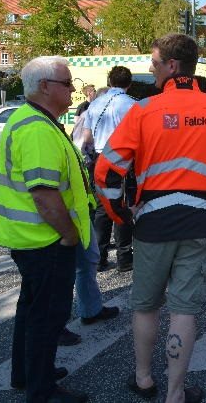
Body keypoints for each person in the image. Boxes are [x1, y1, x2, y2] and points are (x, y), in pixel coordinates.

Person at [95, 34, 206, 403]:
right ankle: (175, 394)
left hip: (153, 225)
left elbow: (107, 172)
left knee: (145, 306)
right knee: (184, 311)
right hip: (200, 223)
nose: (151, 70)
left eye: (155, 64)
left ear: (172, 66)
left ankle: (143, 379)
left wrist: (120, 214)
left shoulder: (143, 111)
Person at [0, 56, 93, 403]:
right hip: (46, 239)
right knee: (47, 317)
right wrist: (68, 234)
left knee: (31, 310)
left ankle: (28, 374)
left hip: (31, 239)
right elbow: (45, 195)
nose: (72, 89)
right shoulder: (37, 128)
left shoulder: (31, 120)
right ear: (46, 87)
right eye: (68, 83)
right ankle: (42, 391)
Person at [82, 66, 136, 272]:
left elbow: (86, 138)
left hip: (98, 157)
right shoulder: (132, 105)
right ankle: (124, 258)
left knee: (102, 208)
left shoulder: (94, 105)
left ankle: (100, 257)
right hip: (121, 161)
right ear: (129, 84)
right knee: (121, 206)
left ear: (110, 81)